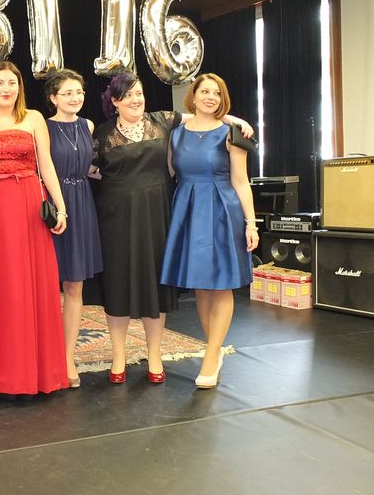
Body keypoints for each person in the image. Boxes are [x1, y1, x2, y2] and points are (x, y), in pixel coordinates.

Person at [89, 72, 251, 385]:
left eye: (139, 93)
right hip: (117, 215)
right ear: (114, 101)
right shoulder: (103, 133)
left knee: (156, 284)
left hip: (159, 212)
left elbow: (203, 115)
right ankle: (119, 356)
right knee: (118, 283)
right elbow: (90, 170)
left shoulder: (163, 121)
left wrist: (236, 120)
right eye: (127, 95)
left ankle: (156, 355)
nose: (135, 100)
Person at [0, 60, 70, 397]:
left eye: (12, 83)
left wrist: (60, 207)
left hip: (28, 204)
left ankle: (37, 375)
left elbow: (47, 165)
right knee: (1, 286)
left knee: (33, 284)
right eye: (0, 83)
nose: (6, 89)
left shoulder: (34, 118)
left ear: (19, 88)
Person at [160, 73, 258, 389]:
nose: (210, 97)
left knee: (222, 285)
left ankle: (211, 355)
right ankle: (213, 351)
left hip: (221, 210)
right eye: (204, 91)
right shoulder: (175, 134)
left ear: (222, 99)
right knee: (201, 286)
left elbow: (241, 181)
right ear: (193, 95)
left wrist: (251, 223)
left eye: (216, 93)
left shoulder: (231, 133)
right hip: (187, 208)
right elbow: (170, 172)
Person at [44, 69, 103, 389]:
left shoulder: (88, 125)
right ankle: (44, 354)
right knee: (45, 286)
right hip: (52, 207)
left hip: (81, 204)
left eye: (78, 92)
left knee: (74, 286)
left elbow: (90, 168)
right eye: (67, 92)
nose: (75, 97)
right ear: (53, 97)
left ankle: (67, 356)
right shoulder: (43, 127)